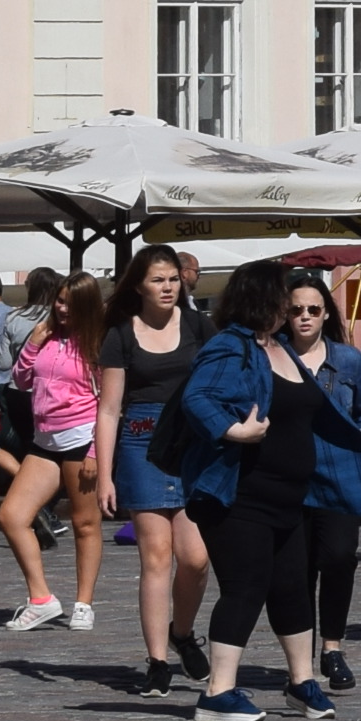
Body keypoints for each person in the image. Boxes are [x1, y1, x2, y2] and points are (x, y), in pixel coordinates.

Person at [173, 263, 361, 721]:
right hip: (241, 494)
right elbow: (197, 398)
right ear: (262, 299)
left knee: (291, 588)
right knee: (245, 587)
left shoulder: (279, 346)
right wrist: (234, 431)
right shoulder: (231, 345)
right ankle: (217, 693)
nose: (292, 309)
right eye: (285, 299)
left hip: (291, 496)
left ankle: (301, 683)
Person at [87, 246, 210, 688]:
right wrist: (104, 474)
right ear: (139, 285)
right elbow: (108, 410)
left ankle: (182, 633)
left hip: (192, 445)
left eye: (173, 279)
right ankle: (158, 663)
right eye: (158, 280)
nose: (167, 287)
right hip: (141, 444)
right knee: (156, 555)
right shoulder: (121, 334)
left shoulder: (199, 326)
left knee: (195, 558)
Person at [0, 275, 108, 631]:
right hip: (45, 440)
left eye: (70, 302)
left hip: (81, 438)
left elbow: (108, 402)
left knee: (84, 523)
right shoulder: (47, 336)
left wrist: (95, 452)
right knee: (12, 515)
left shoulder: (97, 343)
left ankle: (84, 603)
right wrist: (32, 345)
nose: (62, 308)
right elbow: (22, 380)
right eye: (59, 300)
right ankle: (41, 598)